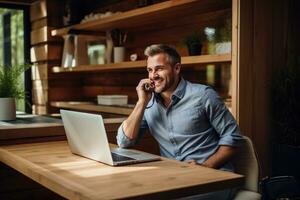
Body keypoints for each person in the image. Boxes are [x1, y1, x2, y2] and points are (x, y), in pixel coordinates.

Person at [117, 44, 244, 199]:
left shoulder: (203, 96)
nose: (153, 75)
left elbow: (234, 138)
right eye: (150, 70)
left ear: (176, 68)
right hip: (175, 178)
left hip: (214, 177)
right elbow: (125, 142)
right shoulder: (148, 103)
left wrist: (205, 167)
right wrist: (141, 102)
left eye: (159, 69)